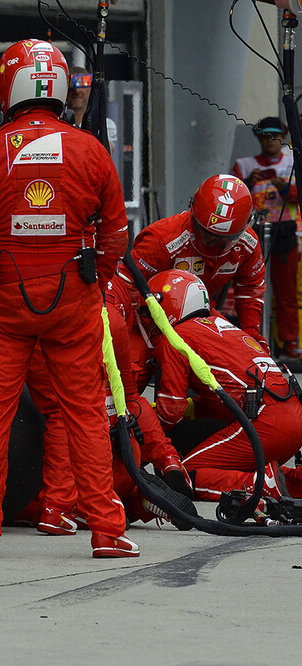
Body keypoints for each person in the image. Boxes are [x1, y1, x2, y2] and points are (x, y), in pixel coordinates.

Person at [0, 39, 137, 558]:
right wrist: (94, 283)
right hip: (73, 301)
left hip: (3, 303)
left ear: (8, 86)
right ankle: (107, 531)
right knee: (86, 414)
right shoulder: (91, 149)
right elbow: (117, 235)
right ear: (60, 87)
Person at [145, 270, 302, 501]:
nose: (148, 319)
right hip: (291, 414)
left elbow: (170, 413)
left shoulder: (176, 338)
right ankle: (293, 482)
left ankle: (259, 486)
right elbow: (226, 393)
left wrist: (141, 421)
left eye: (149, 311)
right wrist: (193, 408)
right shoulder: (221, 324)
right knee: (227, 465)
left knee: (185, 476)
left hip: (264, 421)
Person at [117, 174, 266, 385]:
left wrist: (251, 332)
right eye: (206, 233)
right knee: (130, 374)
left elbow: (250, 289)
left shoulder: (248, 244)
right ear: (192, 211)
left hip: (200, 315)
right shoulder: (162, 240)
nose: (212, 241)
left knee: (243, 357)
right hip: (145, 319)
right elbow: (125, 289)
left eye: (223, 238)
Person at [231, 116, 300, 357]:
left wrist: (285, 188)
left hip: (285, 231)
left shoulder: (293, 162)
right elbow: (231, 195)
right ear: (258, 137)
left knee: (286, 293)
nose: (271, 141)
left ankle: (289, 345)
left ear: (283, 137)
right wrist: (247, 182)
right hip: (252, 233)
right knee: (246, 290)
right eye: (265, 135)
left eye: (276, 136)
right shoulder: (245, 164)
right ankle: (246, 340)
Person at [65, 67, 117, 151]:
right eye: (72, 85)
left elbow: (105, 152)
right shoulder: (56, 122)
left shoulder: (104, 124)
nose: (77, 91)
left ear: (91, 88)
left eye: (83, 83)